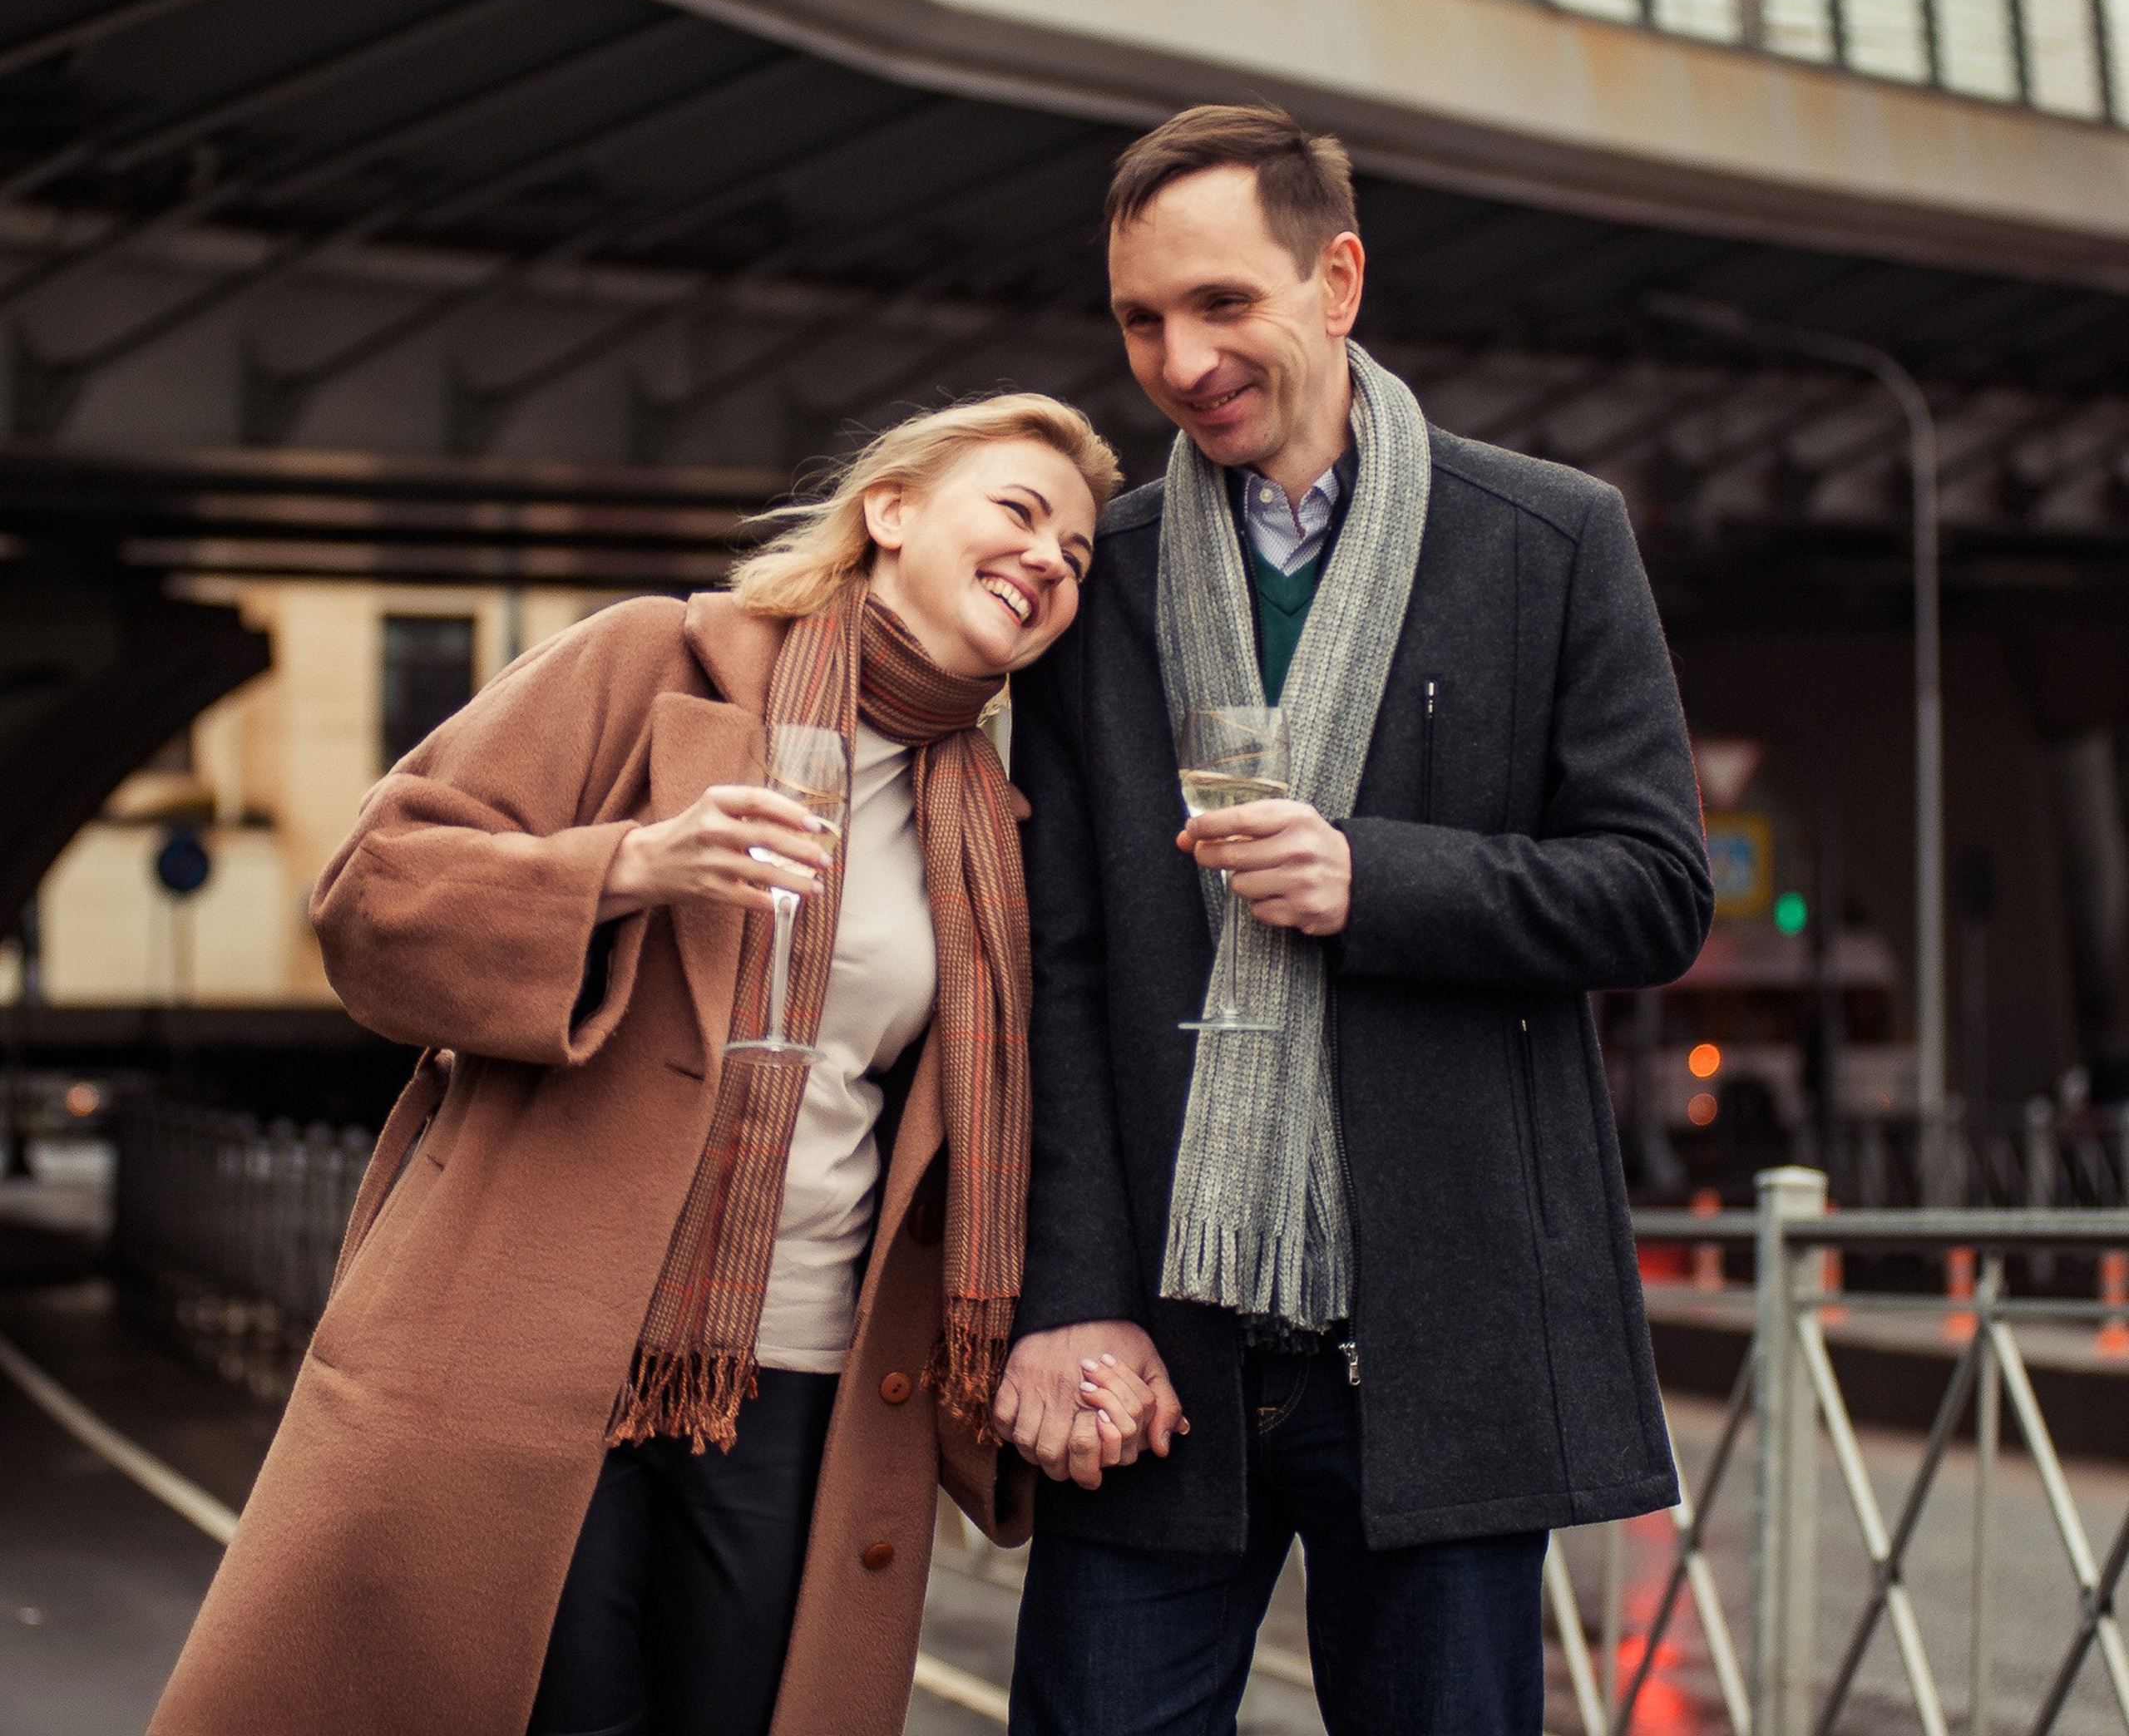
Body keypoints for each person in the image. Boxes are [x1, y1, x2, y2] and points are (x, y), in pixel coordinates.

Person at [149, 394, 1134, 1736]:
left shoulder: (992, 825)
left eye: (1076, 556)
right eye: (1019, 513)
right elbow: (372, 905)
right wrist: (623, 866)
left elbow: (1007, 1120)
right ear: (890, 511)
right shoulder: (650, 665)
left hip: (806, 1383)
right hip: (539, 1357)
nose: (1047, 560)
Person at [994, 106, 1714, 1734]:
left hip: (1438, 1329)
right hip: (1160, 1348)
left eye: (1219, 303)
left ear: (1336, 278)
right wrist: (1068, 1292)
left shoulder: (1545, 538)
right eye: (1136, 319)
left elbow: (1658, 887)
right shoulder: (1090, 578)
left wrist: (1374, 876)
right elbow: (1055, 967)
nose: (1177, 360)